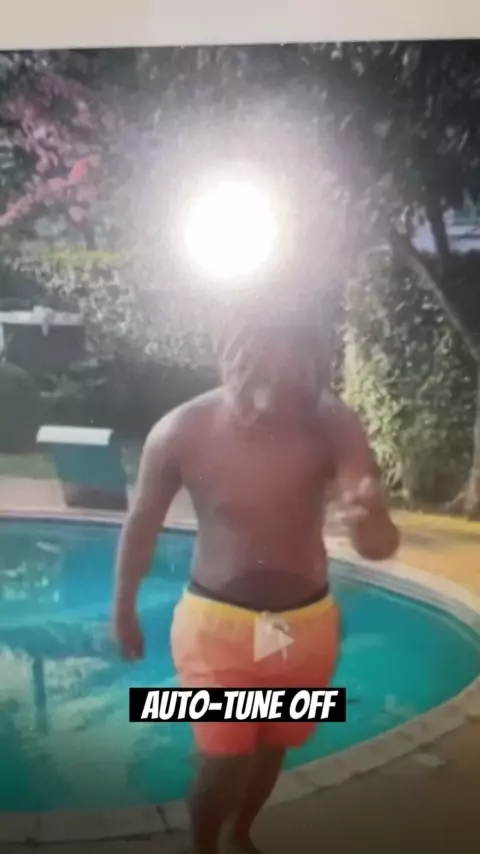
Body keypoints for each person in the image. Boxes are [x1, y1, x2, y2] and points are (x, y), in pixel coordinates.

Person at [113, 309, 399, 854]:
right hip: (216, 627)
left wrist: (371, 517)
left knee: (272, 743)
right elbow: (142, 524)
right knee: (226, 757)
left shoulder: (332, 422)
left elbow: (378, 547)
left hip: (307, 626)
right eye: (265, 361)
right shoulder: (180, 431)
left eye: (298, 362)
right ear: (230, 353)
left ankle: (240, 832)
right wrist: (123, 608)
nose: (283, 378)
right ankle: (204, 846)